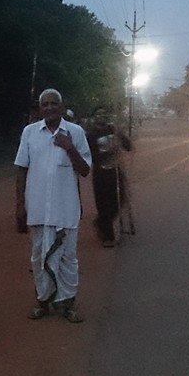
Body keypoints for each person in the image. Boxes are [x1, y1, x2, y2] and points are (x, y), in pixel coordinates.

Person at [15, 88, 92, 323]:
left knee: (68, 258)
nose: (49, 108)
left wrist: (69, 147)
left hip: (66, 208)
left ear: (62, 106)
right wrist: (20, 205)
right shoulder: (30, 132)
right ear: (40, 109)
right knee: (38, 257)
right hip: (38, 208)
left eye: (53, 103)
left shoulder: (75, 132)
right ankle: (43, 301)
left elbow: (85, 170)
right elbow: (21, 169)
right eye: (45, 104)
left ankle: (68, 303)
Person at [85, 109, 133, 247]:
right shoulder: (91, 135)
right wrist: (107, 153)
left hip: (115, 171)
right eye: (98, 114)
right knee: (103, 204)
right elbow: (89, 156)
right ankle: (107, 235)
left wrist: (120, 135)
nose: (101, 117)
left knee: (119, 200)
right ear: (94, 118)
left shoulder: (113, 130)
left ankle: (101, 223)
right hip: (100, 173)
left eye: (103, 114)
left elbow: (128, 146)